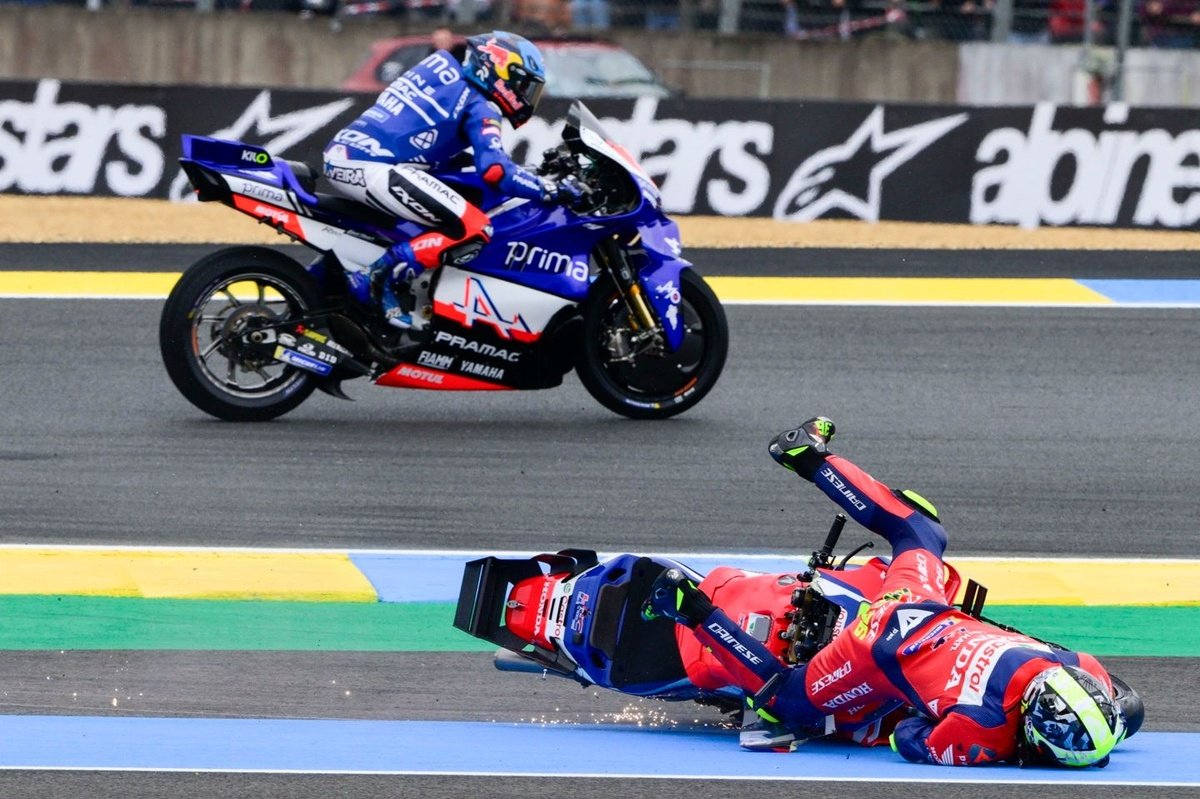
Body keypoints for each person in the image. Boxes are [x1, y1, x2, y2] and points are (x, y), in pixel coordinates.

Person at [644, 417, 1136, 767]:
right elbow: (907, 738)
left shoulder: (1073, 664)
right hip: (876, 651)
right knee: (787, 702)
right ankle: (688, 605)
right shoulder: (983, 734)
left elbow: (1122, 698)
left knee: (921, 532)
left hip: (916, 604)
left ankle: (809, 455)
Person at [322, 31, 584, 331]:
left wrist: (525, 173)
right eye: (524, 85)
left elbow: (436, 138)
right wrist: (550, 189)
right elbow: (496, 170)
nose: (526, 95)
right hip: (372, 165)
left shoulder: (445, 72)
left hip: (351, 154)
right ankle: (377, 279)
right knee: (474, 227)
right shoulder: (482, 105)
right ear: (500, 70)